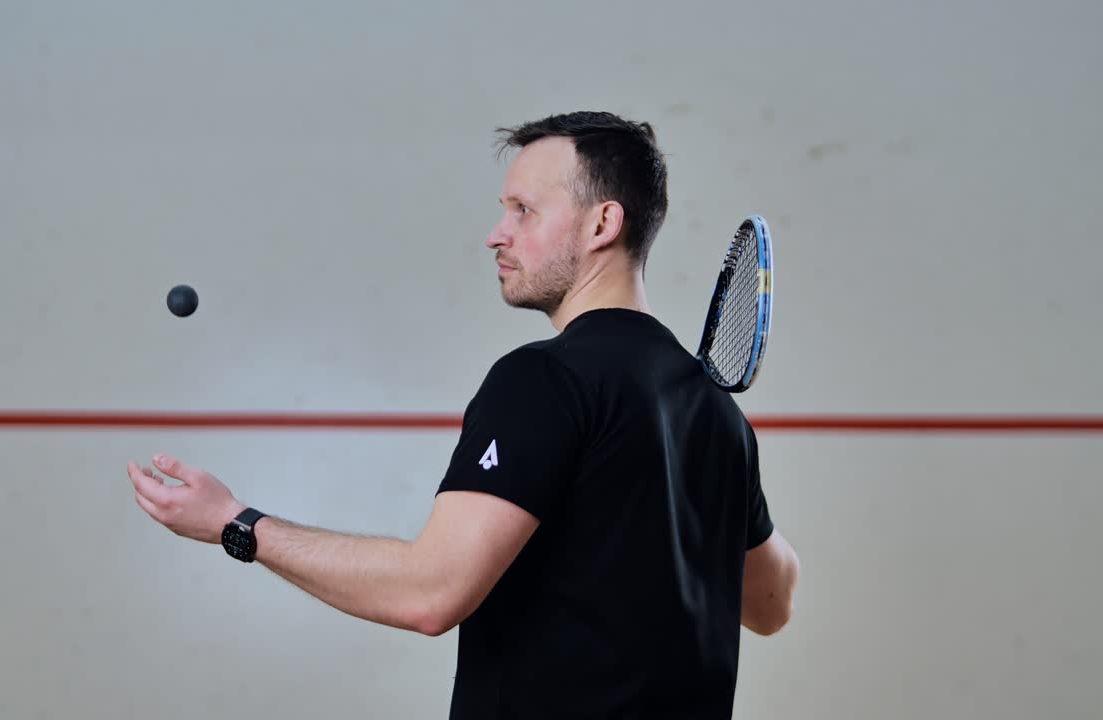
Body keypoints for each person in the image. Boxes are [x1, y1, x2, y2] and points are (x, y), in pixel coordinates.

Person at [127, 110, 800, 719]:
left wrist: (236, 524)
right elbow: (772, 605)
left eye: (523, 210)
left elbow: (431, 593)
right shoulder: (716, 413)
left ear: (603, 224)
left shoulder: (544, 378)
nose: (496, 234)